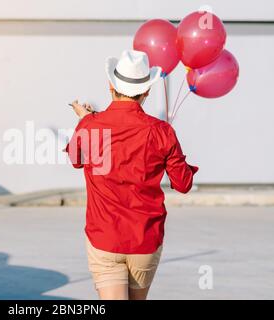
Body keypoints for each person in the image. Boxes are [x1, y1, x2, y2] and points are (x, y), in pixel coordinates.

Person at [65, 50, 198, 300]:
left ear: (110, 86)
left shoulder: (91, 125)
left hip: (105, 236)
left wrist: (85, 119)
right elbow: (183, 184)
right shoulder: (162, 131)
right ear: (146, 91)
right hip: (144, 239)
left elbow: (76, 159)